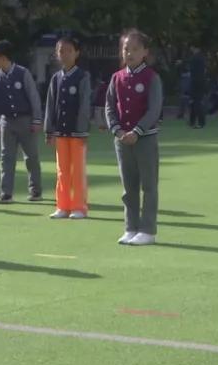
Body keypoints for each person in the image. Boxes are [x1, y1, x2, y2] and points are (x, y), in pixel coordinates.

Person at [106, 29, 163, 246]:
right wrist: (117, 130)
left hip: (144, 139)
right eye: (126, 48)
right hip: (122, 140)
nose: (129, 53)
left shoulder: (151, 77)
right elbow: (110, 107)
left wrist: (137, 131)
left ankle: (147, 230)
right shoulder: (117, 77)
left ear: (145, 52)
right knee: (128, 187)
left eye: (135, 49)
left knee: (148, 185)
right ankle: (130, 227)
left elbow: (154, 109)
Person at [0, 40, 43, 204]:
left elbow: (34, 97)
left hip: (25, 120)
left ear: (2, 57)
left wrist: (37, 119)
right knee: (6, 158)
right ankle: (6, 193)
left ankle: (35, 190)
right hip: (7, 122)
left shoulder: (22, 73)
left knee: (31, 157)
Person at [44, 36, 92, 220]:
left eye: (69, 50)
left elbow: (84, 105)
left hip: (77, 132)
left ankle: (79, 206)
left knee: (77, 171)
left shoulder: (82, 77)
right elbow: (50, 105)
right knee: (62, 170)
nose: (64, 54)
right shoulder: (56, 78)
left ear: (77, 53)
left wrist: (82, 130)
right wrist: (50, 130)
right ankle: (62, 206)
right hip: (60, 132)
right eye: (61, 51)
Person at [187, 47, 207, 129]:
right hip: (201, 81)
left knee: (196, 103)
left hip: (196, 82)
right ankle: (194, 121)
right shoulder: (202, 58)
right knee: (196, 102)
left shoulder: (194, 59)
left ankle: (198, 122)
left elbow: (193, 71)